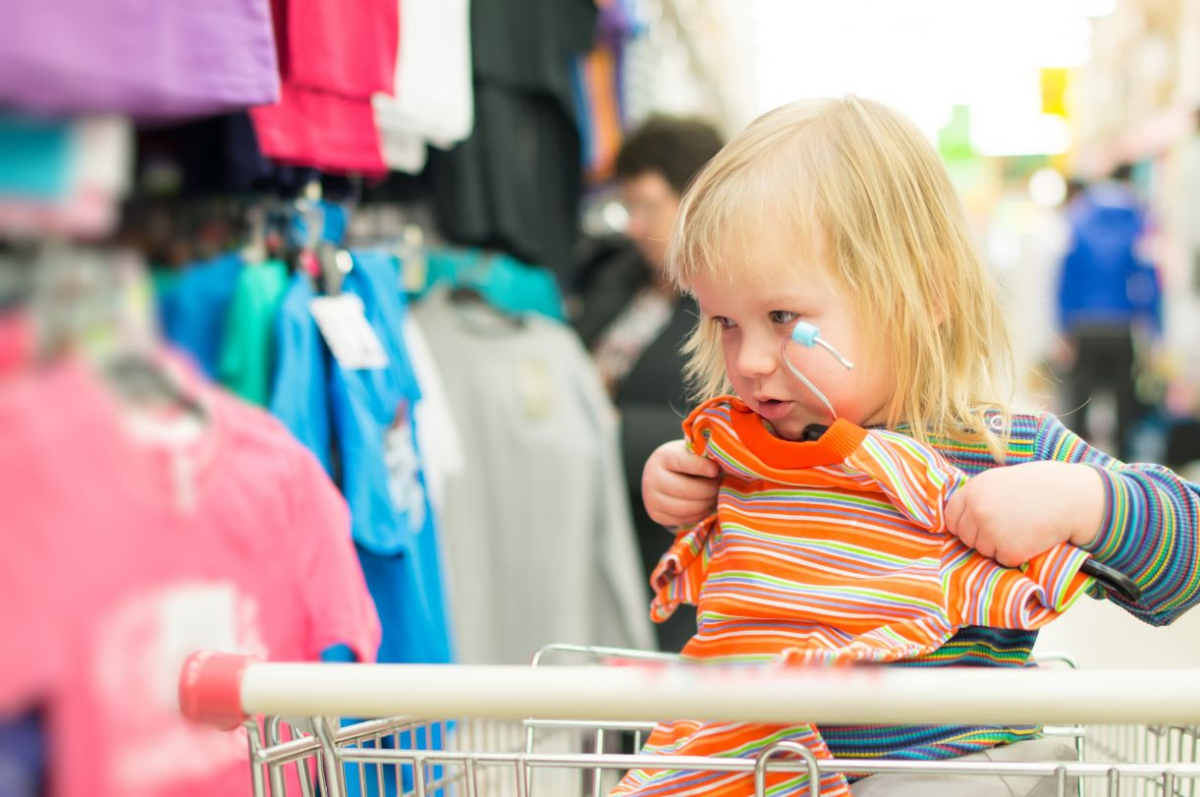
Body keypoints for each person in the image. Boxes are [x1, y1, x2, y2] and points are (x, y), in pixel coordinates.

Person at [633, 96, 1200, 795]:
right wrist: (679, 483)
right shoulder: (744, 448)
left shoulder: (995, 450)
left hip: (946, 773)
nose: (747, 361)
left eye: (782, 316)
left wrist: (1086, 502)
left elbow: (1190, 546)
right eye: (725, 321)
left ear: (924, 294)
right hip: (760, 770)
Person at [571, 116, 724, 652]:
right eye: (627, 207)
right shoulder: (614, 278)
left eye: (648, 206)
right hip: (591, 520)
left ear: (697, 200)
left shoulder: (728, 306)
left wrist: (611, 429)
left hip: (665, 550)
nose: (634, 226)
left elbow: (736, 430)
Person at [1055, 165, 1162, 460]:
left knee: (1080, 399)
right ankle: (1124, 466)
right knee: (1124, 398)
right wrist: (1154, 327)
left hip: (1084, 326)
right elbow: (1148, 281)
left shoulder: (1078, 222)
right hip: (1122, 326)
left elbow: (1066, 281)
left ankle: (1075, 465)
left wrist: (1063, 327)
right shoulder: (1136, 223)